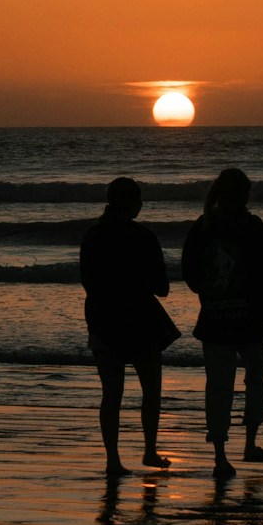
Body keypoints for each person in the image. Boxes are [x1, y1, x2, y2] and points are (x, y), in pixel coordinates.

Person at [182, 167, 263, 480]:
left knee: (219, 388)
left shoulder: (203, 226)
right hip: (250, 321)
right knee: (255, 382)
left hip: (215, 320)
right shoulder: (251, 226)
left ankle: (221, 457)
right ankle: (250, 444)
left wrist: (211, 292)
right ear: (242, 194)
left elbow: (189, 272)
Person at [78, 177, 176, 476]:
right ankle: (149, 450)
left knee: (111, 395)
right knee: (151, 390)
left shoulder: (92, 236)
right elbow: (162, 288)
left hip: (103, 319)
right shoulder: (144, 236)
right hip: (140, 320)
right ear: (133, 204)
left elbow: (88, 282)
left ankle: (113, 460)